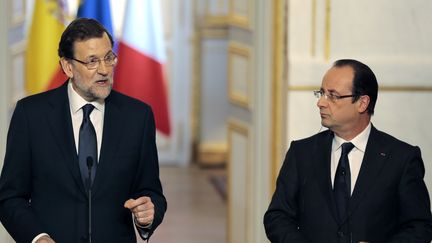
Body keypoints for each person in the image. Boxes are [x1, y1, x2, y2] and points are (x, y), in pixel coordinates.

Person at [0, 18, 166, 243]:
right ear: (68, 67)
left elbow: (151, 192)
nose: (104, 70)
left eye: (109, 58)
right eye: (92, 61)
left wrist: (147, 214)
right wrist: (38, 238)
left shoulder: (138, 116)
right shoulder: (31, 115)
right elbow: (10, 197)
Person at [264, 59, 432, 243]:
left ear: (362, 103)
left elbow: (420, 227)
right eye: (321, 93)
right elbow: (277, 217)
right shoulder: (301, 153)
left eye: (333, 95)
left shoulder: (401, 158)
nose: (320, 102)